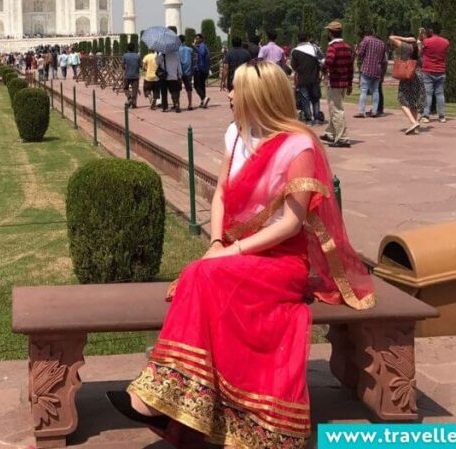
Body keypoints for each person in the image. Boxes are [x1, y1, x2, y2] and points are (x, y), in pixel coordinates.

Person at [107, 60, 376, 448]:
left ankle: (165, 399)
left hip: (281, 260)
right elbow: (219, 194)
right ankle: (172, 398)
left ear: (259, 96)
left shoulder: (298, 145)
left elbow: (290, 224)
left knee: (203, 276)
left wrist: (230, 251)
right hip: (239, 251)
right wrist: (216, 242)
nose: (229, 95)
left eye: (235, 89)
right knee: (204, 275)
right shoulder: (237, 134)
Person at [321, 21, 354, 148]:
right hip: (344, 82)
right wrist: (350, 83)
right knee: (335, 108)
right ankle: (331, 133)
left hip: (335, 81)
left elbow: (328, 61)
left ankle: (343, 138)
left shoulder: (333, 47)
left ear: (330, 33)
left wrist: (323, 69)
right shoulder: (347, 46)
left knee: (336, 110)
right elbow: (351, 67)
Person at [389, 30, 426, 135]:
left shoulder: (405, 46)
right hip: (418, 74)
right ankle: (416, 126)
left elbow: (391, 37)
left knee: (402, 100)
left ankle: (413, 122)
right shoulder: (418, 47)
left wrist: (404, 38)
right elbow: (419, 41)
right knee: (413, 101)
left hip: (407, 74)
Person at [291, 32, 323, 125]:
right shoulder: (314, 48)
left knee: (305, 99)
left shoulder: (295, 51)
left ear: (298, 39)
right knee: (315, 98)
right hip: (314, 77)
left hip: (302, 78)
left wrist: (300, 70)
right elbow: (322, 61)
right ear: (307, 38)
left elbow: (293, 65)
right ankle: (317, 117)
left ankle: (308, 119)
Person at [421, 23, 450, 123]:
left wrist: (421, 35)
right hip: (440, 70)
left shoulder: (426, 41)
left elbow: (420, 50)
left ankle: (426, 115)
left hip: (428, 70)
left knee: (428, 94)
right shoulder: (446, 42)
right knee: (440, 94)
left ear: (432, 30)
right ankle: (442, 116)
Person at [355, 27, 386, 118]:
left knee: (363, 90)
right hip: (377, 69)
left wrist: (357, 51)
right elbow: (383, 59)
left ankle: (361, 111)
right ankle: (375, 111)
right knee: (375, 91)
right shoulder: (381, 43)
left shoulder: (366, 40)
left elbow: (360, 53)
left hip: (367, 68)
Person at [157, 48, 183, 113]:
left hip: (164, 77)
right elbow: (179, 66)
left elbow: (156, 62)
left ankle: (165, 107)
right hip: (173, 76)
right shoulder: (176, 55)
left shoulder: (162, 55)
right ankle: (176, 104)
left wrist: (159, 54)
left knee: (164, 93)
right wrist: (179, 75)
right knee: (174, 92)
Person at [193, 34, 211, 108]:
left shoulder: (202, 46)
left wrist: (194, 46)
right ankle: (203, 101)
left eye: (197, 39)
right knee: (202, 85)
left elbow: (201, 54)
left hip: (200, 69)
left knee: (196, 85)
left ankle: (204, 98)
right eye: (196, 38)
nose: (196, 40)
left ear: (201, 39)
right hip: (205, 69)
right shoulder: (203, 46)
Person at [178, 35, 195, 110]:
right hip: (188, 71)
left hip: (179, 72)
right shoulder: (189, 49)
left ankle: (177, 104)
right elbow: (193, 59)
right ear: (184, 41)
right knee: (189, 89)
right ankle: (190, 104)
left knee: (177, 89)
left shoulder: (176, 50)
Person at [122, 44, 142, 108]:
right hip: (136, 75)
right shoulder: (138, 56)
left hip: (127, 75)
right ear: (134, 49)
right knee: (135, 91)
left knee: (125, 88)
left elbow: (122, 66)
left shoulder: (125, 56)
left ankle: (129, 98)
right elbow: (141, 65)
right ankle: (134, 104)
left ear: (128, 49)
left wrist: (125, 69)